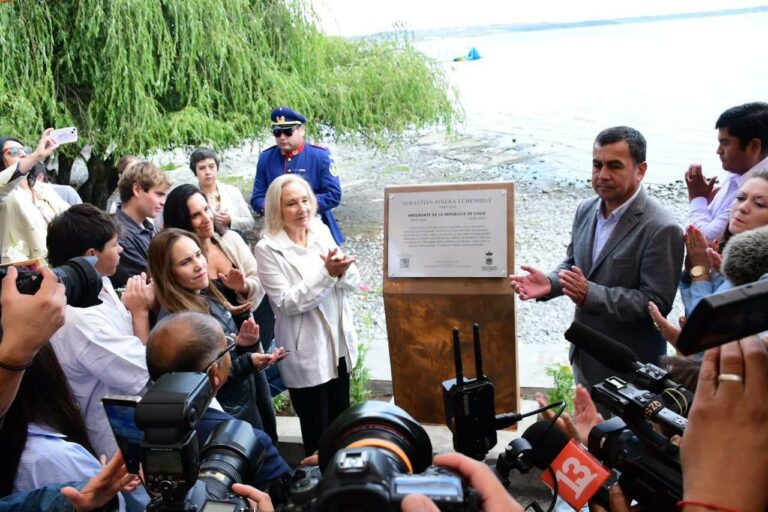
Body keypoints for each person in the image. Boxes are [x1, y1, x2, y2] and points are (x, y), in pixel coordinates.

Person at [510, 126, 684, 389]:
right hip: (584, 356)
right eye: (596, 165)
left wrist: (590, 294)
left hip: (630, 371)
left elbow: (655, 303)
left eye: (614, 166)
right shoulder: (586, 209)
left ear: (641, 170)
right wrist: (551, 282)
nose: (602, 175)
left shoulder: (662, 227)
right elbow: (574, 264)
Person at [161, 186, 279, 441]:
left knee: (264, 428)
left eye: (206, 208)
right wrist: (247, 359)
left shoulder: (227, 242)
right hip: (227, 399)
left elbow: (256, 281)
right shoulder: (180, 314)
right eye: (196, 215)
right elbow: (206, 375)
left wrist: (242, 290)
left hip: (244, 354)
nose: (206, 218)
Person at [255, 174, 359, 455]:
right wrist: (328, 275)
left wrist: (343, 271)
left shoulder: (319, 230)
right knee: (317, 433)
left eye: (305, 201)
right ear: (277, 209)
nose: (301, 209)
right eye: (291, 204)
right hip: (306, 349)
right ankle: (320, 491)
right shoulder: (267, 249)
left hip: (337, 344)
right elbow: (288, 302)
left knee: (342, 424)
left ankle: (345, 483)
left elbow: (352, 281)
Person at [47, 204, 152, 458]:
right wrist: (140, 313)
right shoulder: (80, 318)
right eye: (115, 245)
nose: (121, 250)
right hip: (112, 435)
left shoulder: (99, 281)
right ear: (91, 255)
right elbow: (144, 368)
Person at [145, 311, 291, 488]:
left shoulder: (139, 430)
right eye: (228, 346)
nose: (232, 348)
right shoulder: (248, 442)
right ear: (215, 373)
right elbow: (290, 494)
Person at [649, 212, 768, 347]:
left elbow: (702, 322)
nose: (743, 208)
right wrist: (692, 273)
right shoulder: (725, 254)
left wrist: (700, 272)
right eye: (740, 197)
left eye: (760, 204)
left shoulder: (757, 272)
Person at [250, 106, 344, 245]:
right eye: (277, 132)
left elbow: (334, 195)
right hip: (279, 229)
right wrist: (277, 209)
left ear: (302, 130)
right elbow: (257, 197)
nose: (282, 137)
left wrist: (300, 207)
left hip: (316, 225)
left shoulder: (319, 155)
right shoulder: (266, 158)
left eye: (288, 131)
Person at [685, 102, 768, 242]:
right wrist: (705, 203)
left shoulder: (758, 186)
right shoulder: (738, 171)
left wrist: (697, 199)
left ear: (754, 146)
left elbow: (707, 238)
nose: (719, 151)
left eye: (725, 143)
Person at [0, 130, 70, 263]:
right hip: (24, 273)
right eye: (13, 151)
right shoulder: (5, 193)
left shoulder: (42, 188)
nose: (23, 154)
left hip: (62, 265)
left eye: (24, 150)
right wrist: (37, 155)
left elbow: (72, 217)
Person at [111, 161, 171, 288]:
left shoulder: (146, 226)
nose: (163, 202)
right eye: (159, 194)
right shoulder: (120, 235)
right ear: (137, 190)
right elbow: (156, 281)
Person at [189, 148, 254, 234]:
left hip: (235, 241)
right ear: (195, 172)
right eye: (202, 168)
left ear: (217, 168)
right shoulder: (191, 198)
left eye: (211, 166)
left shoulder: (232, 191)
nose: (208, 172)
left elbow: (250, 222)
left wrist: (231, 220)